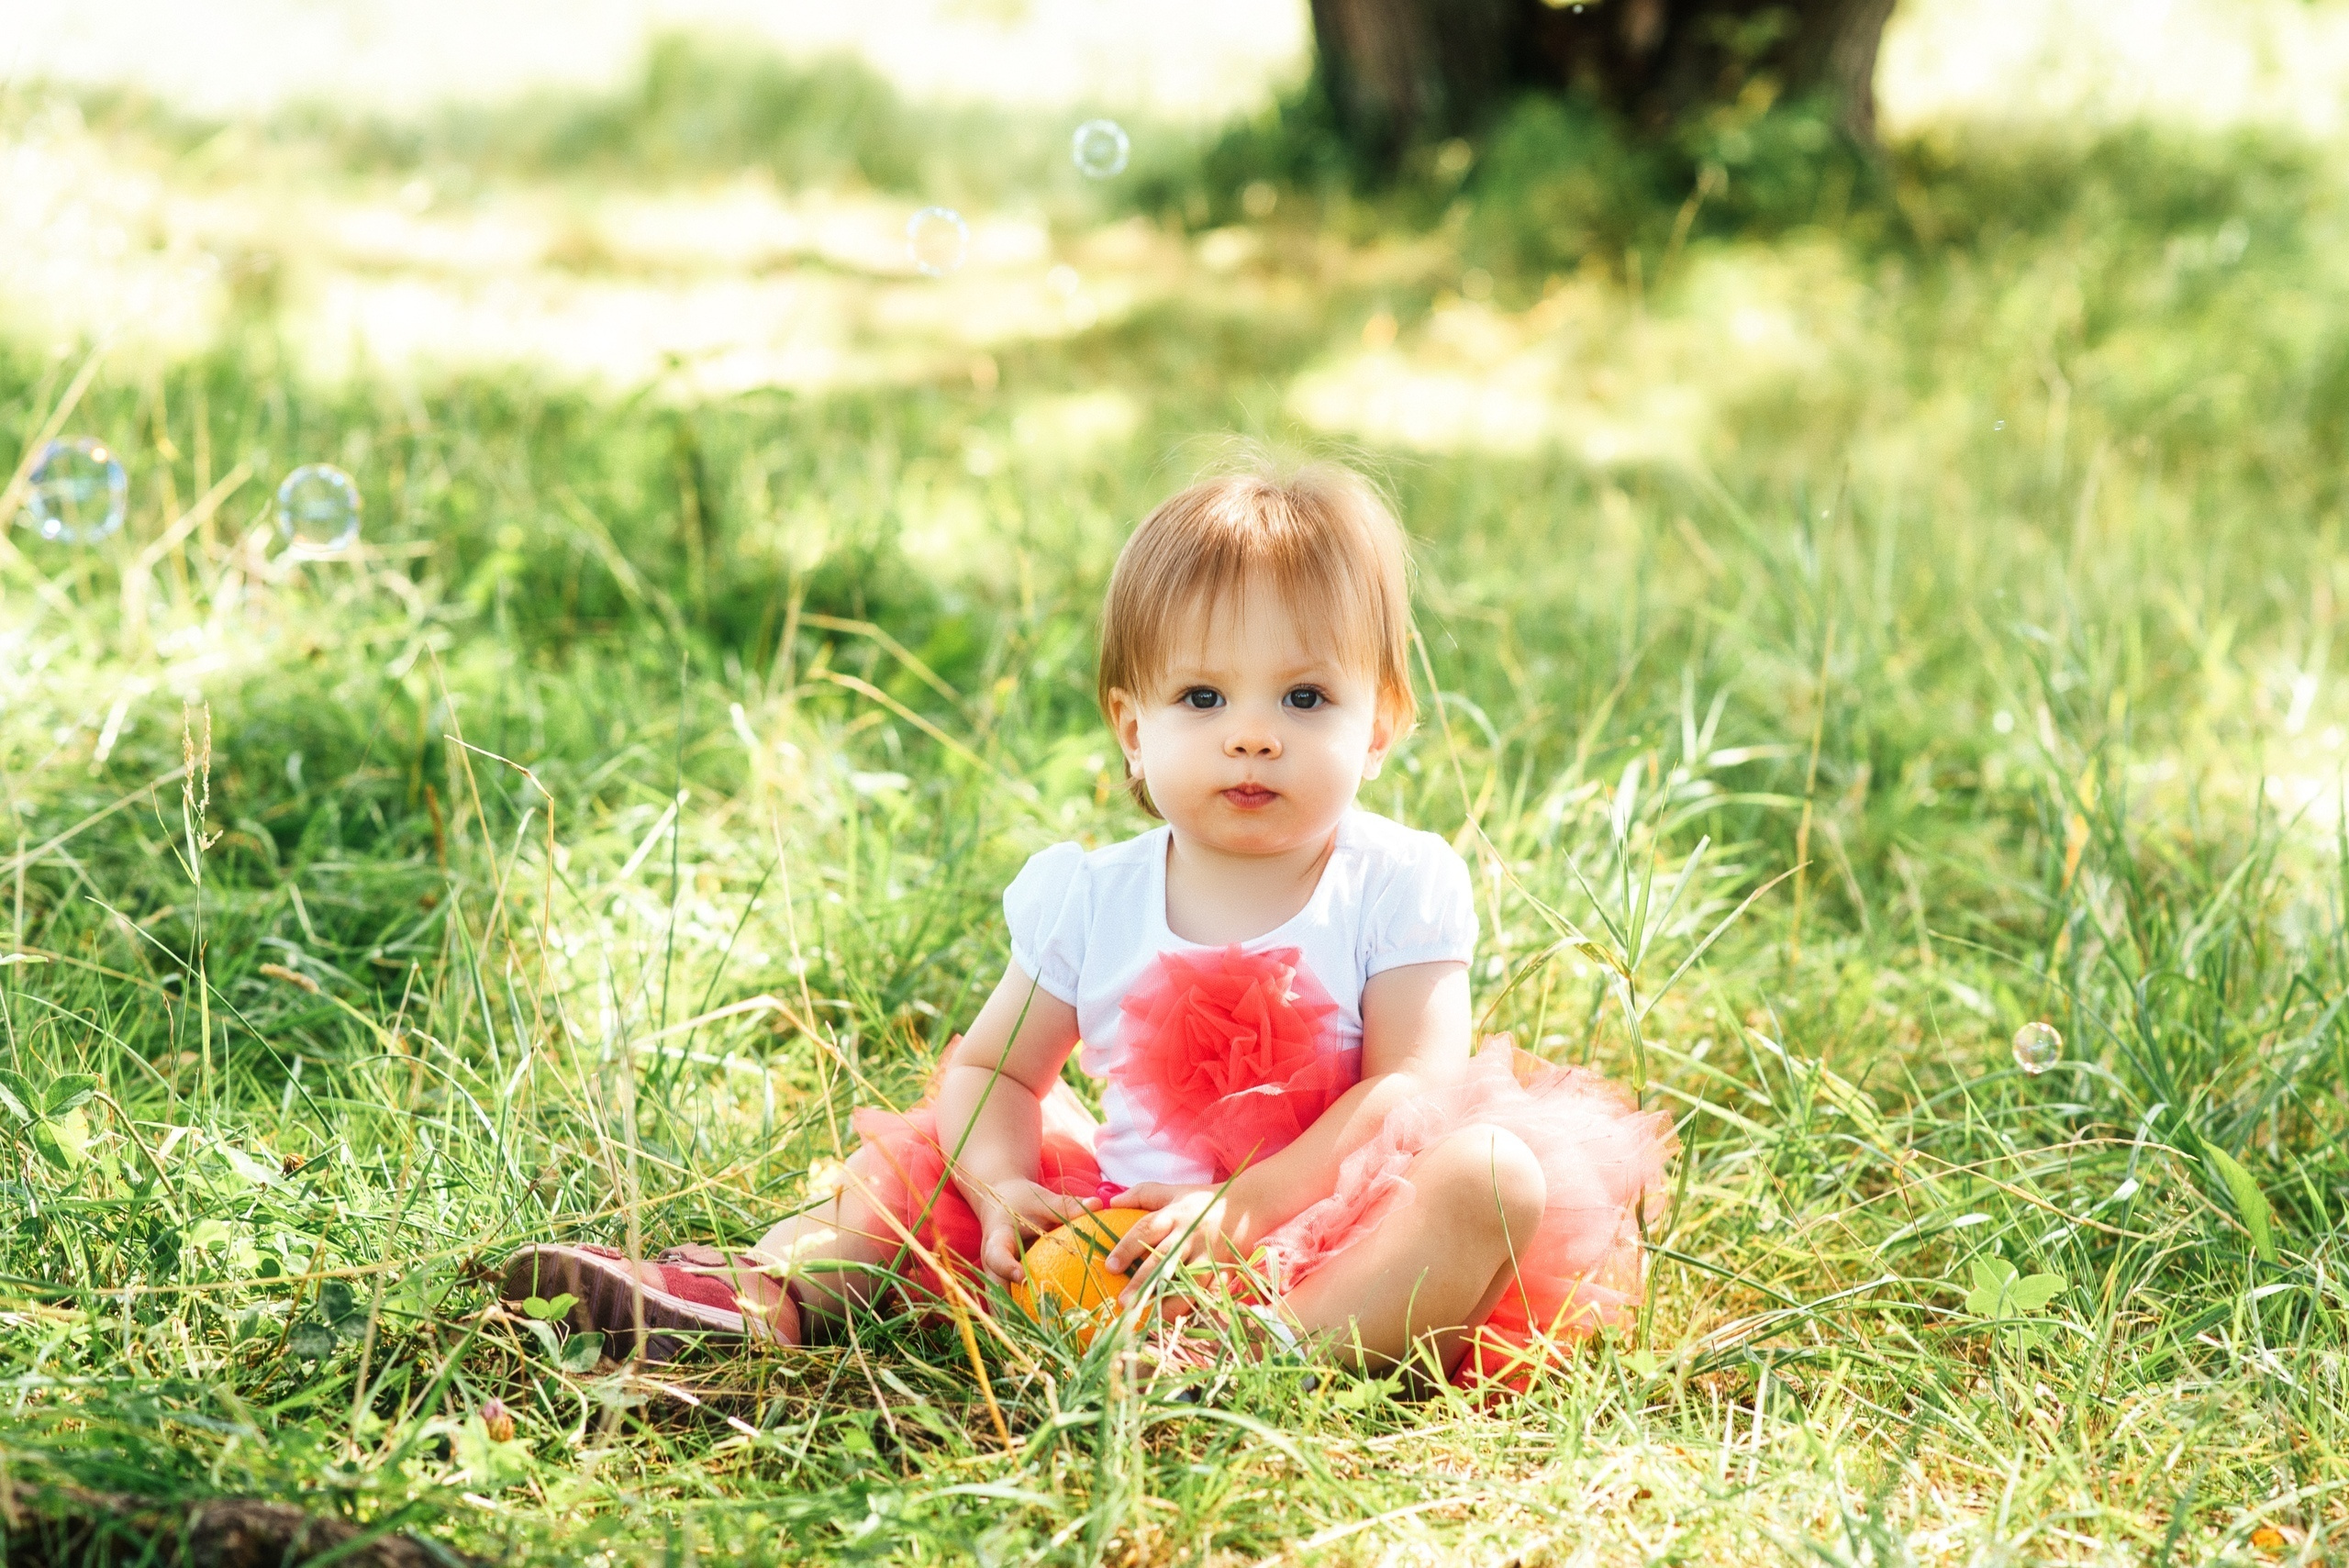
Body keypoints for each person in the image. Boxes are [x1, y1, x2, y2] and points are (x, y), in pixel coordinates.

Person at [500, 459, 1675, 1385]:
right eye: (1202, 697)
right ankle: (755, 1293)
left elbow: (1407, 1094)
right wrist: (1007, 1182)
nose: (1251, 733)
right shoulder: (1092, 892)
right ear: (1131, 729)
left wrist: (1242, 1209)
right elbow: (993, 1071)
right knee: (910, 1176)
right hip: (1107, 1237)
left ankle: (1248, 1361)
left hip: (1316, 1227)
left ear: (1378, 727)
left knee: (1491, 1177)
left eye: (1304, 697)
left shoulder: (1397, 880)